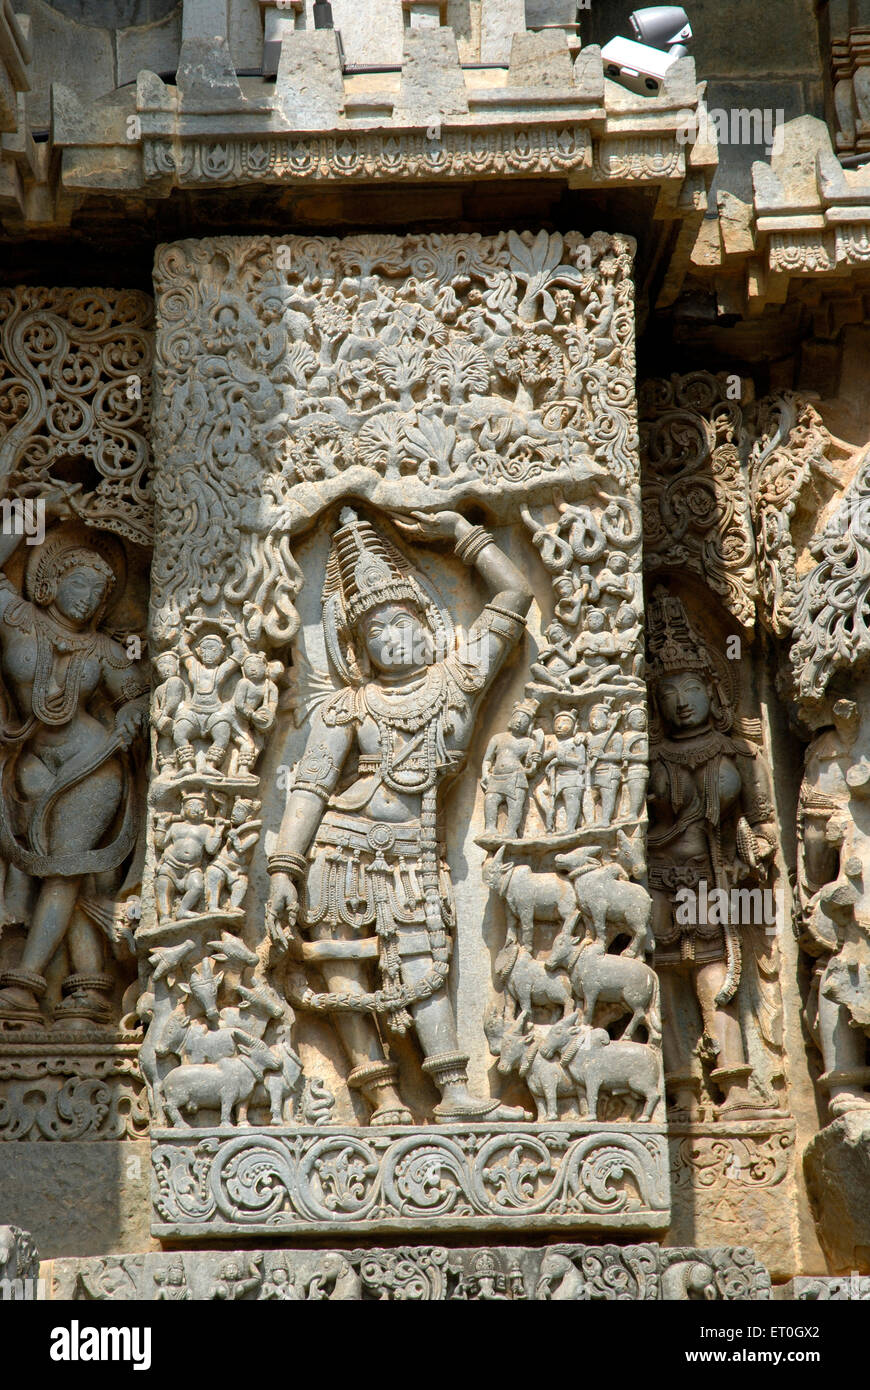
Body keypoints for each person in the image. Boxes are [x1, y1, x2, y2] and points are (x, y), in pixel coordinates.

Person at [267, 506, 533, 1124]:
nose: (390, 636)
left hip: (412, 851)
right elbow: (308, 787)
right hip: (340, 848)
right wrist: (284, 866)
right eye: (374, 630)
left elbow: (515, 594)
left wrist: (463, 536)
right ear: (355, 646)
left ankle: (453, 1094)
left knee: (422, 960)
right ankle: (380, 1096)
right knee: (342, 962)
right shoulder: (348, 707)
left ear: (425, 623)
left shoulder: (459, 680)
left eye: (400, 621)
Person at [0, 499, 149, 1025]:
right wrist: (29, 514)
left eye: (99, 593)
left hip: (93, 762)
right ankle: (89, 985)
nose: (88, 600)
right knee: (69, 874)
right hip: (30, 761)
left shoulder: (106, 652)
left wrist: (132, 711)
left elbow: (138, 689)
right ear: (52, 582)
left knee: (65, 867)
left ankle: (24, 982)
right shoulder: (18, 619)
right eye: (80, 584)